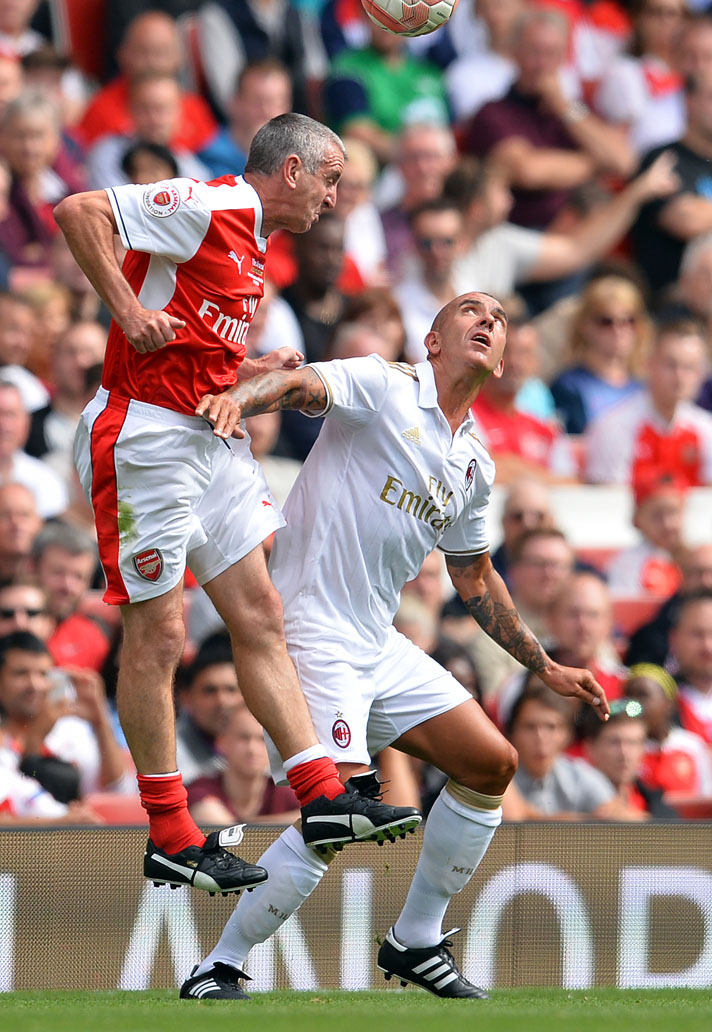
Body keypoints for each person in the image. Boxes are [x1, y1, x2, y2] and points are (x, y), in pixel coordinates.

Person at [181, 291, 609, 1000]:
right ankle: (217, 967)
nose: (487, 321)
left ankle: (414, 942)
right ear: (433, 341)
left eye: (498, 319)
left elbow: (472, 575)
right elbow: (298, 384)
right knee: (338, 809)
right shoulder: (383, 384)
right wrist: (239, 400)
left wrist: (545, 665)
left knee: (489, 763)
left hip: (377, 643)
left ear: (502, 362)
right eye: (468, 311)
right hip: (312, 633)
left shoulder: (475, 462)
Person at [54, 112, 420, 899]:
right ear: (290, 171)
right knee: (159, 634)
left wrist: (252, 363)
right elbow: (79, 210)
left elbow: (193, 335)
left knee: (260, 612)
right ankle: (170, 831)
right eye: (329, 178)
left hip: (207, 437)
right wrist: (124, 310)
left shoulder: (254, 245)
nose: (335, 196)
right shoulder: (210, 204)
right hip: (145, 436)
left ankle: (320, 792)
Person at [585, 318, 712, 485]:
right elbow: (610, 502)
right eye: (670, 365)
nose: (679, 377)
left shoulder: (705, 428)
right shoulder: (616, 426)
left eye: (689, 367)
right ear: (648, 365)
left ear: (701, 374)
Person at [625, 664, 712, 798]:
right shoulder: (622, 747)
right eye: (628, 696)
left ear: (669, 703)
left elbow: (705, 797)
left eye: (643, 695)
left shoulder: (691, 746)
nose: (633, 705)